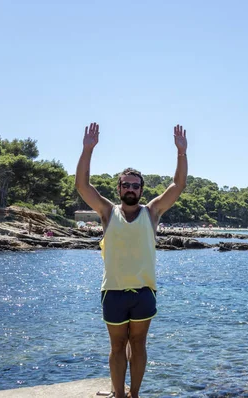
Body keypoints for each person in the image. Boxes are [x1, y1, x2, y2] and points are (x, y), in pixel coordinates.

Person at [75, 122, 188, 398]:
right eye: (126, 184)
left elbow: (178, 185)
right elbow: (82, 185)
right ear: (118, 188)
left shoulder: (152, 213)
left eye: (135, 186)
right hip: (112, 290)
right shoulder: (106, 212)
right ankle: (118, 393)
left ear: (141, 190)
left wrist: (181, 153)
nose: (130, 189)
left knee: (137, 344)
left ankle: (133, 394)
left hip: (143, 292)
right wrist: (87, 149)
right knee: (116, 347)